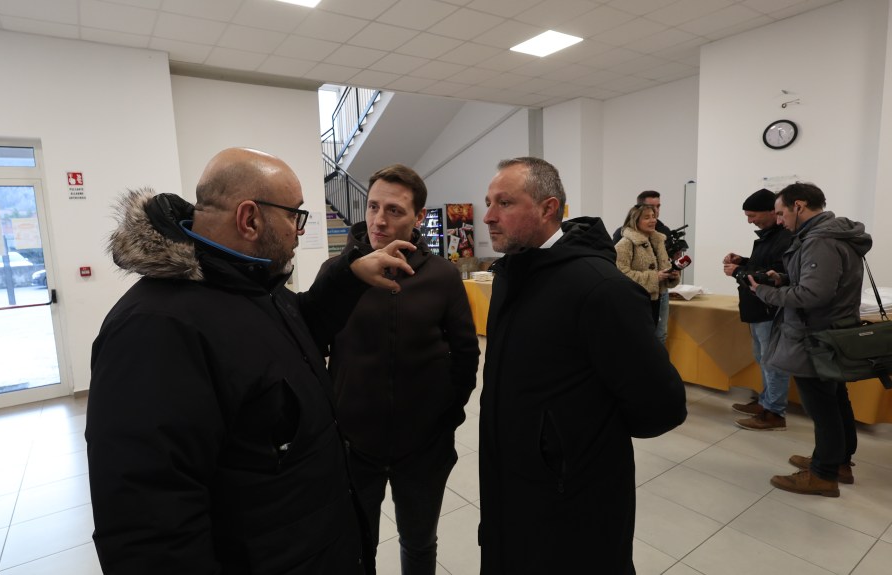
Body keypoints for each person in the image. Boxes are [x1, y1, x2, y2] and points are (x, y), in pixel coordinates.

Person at [86, 147, 416, 574]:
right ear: (249, 219)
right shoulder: (155, 329)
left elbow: (292, 332)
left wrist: (348, 275)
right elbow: (149, 530)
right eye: (294, 215)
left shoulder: (248, 282)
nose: (299, 231)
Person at [478, 157, 687, 573]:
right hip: (510, 481)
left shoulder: (600, 288)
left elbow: (661, 405)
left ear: (548, 208)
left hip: (571, 493)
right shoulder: (510, 275)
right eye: (489, 202)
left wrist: (567, 439)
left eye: (504, 203)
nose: (488, 216)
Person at [320, 164, 480, 574]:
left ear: (418, 216)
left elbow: (466, 354)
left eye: (394, 210)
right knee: (359, 546)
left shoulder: (442, 276)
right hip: (354, 448)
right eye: (373, 206)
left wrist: (445, 418)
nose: (378, 220)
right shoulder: (338, 274)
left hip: (423, 449)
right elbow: (314, 348)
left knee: (419, 542)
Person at [750, 182, 871, 497]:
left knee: (822, 407)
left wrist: (764, 291)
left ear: (799, 206)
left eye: (781, 213)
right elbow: (820, 282)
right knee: (835, 400)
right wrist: (783, 279)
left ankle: (823, 475)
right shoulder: (835, 235)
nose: (779, 221)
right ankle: (837, 461)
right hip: (833, 332)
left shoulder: (820, 240)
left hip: (815, 336)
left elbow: (814, 295)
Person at [723, 189, 793, 431]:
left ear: (772, 211)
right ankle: (765, 402)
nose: (750, 221)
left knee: (773, 362)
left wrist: (739, 272)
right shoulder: (770, 236)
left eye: (752, 216)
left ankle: (775, 413)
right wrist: (743, 261)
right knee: (763, 358)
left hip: (769, 308)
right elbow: (764, 266)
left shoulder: (785, 238)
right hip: (759, 307)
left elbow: (774, 276)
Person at [613, 190, 676, 345]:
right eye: (647, 217)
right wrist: (654, 277)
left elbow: (664, 265)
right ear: (636, 221)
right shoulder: (624, 244)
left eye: (653, 216)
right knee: (639, 341)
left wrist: (671, 274)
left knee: (660, 337)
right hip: (636, 300)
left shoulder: (658, 240)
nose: (653, 220)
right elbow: (620, 275)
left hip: (658, 297)